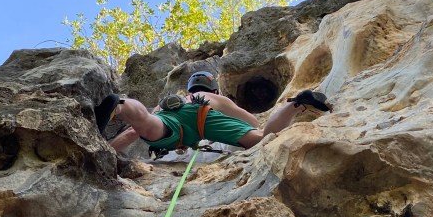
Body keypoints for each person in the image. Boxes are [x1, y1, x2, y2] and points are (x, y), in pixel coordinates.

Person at [101, 70, 331, 154]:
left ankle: (120, 105)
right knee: (262, 138)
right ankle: (297, 104)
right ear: (213, 88)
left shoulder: (182, 97)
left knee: (144, 122)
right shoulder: (216, 98)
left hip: (172, 112)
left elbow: (132, 133)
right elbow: (251, 121)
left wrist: (106, 152)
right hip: (204, 115)